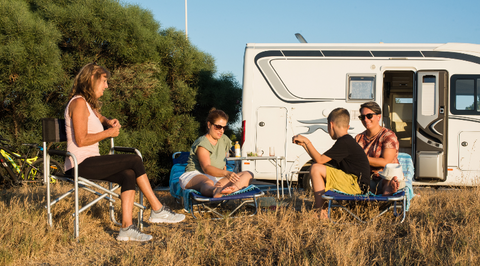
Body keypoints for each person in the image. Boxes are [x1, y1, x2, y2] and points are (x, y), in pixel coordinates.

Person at [65, 63, 185, 242]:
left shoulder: (87, 104)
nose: (107, 86)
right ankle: (158, 209)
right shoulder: (78, 102)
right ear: (92, 79)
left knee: (128, 174)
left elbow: (98, 117)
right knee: (134, 160)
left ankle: (126, 228)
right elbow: (81, 140)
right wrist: (108, 133)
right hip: (78, 163)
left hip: (89, 161)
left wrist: (108, 121)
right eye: (104, 81)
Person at [292, 108, 370, 219]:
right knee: (317, 167)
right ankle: (322, 210)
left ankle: (321, 212)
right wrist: (304, 145)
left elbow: (319, 160)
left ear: (331, 124)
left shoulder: (344, 142)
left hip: (356, 185)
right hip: (355, 183)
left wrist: (307, 141)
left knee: (315, 168)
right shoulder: (346, 141)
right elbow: (321, 160)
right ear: (347, 126)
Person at [178, 109, 253, 198]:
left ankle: (230, 189)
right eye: (218, 127)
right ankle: (216, 191)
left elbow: (223, 161)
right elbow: (206, 168)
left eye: (224, 127)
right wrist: (226, 173)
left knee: (248, 174)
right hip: (196, 175)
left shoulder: (224, 140)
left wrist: (226, 174)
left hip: (216, 177)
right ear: (209, 125)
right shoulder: (202, 143)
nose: (221, 130)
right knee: (207, 182)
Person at [355, 101, 401, 195]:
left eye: (369, 116)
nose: (366, 120)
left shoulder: (388, 136)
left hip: (384, 177)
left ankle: (387, 189)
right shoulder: (358, 138)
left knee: (388, 180)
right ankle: (380, 192)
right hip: (366, 178)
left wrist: (361, 159)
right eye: (362, 117)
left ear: (379, 117)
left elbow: (386, 162)